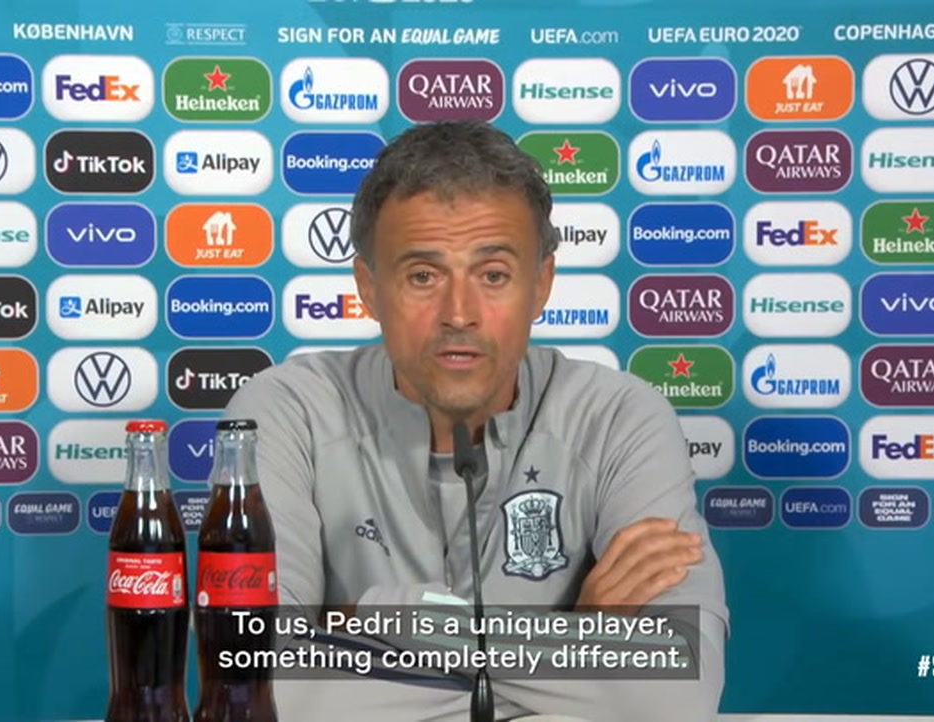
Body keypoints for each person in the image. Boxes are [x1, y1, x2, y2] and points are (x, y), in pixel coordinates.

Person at [223, 120, 728, 721]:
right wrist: (579, 638)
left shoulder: (620, 418)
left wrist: (378, 617)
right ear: (369, 288)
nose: (459, 313)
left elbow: (677, 689)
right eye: (423, 276)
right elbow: (253, 679)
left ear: (541, 285)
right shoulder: (285, 414)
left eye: (493, 275)